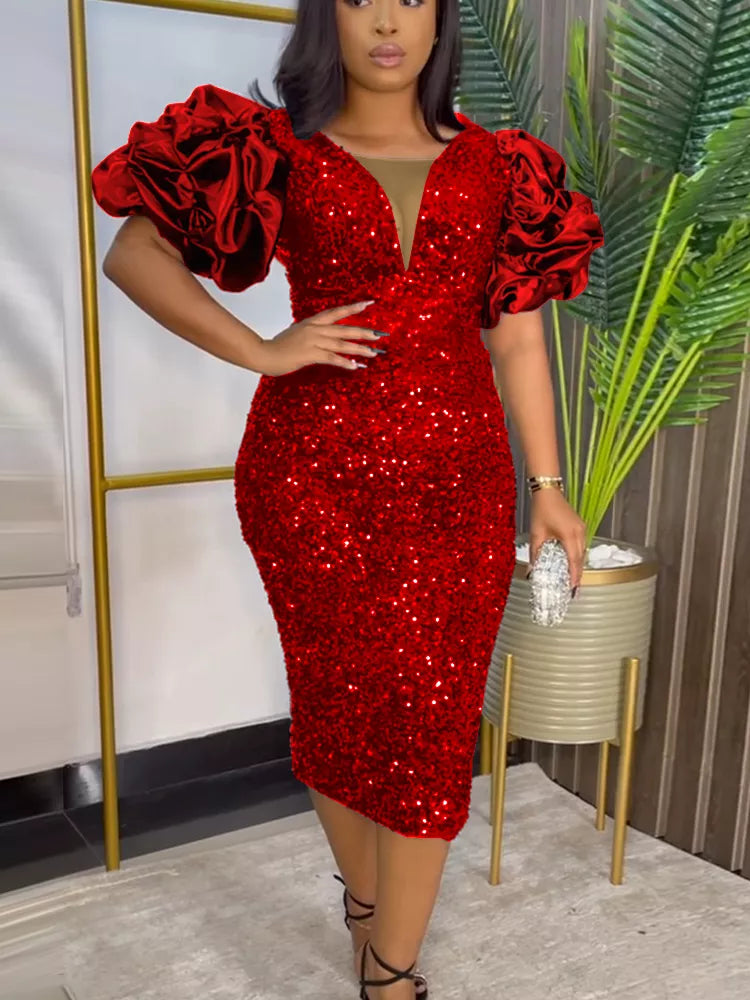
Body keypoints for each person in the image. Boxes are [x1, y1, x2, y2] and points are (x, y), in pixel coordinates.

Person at [90, 1, 603, 997]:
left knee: (431, 727)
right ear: (328, 15)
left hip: (459, 485)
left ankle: (389, 975)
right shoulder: (273, 147)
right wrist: (261, 349)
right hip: (309, 480)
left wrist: (549, 487)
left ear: (440, 17)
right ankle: (366, 907)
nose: (387, 19)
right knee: (337, 713)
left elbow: (517, 336)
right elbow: (134, 254)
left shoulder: (503, 166)